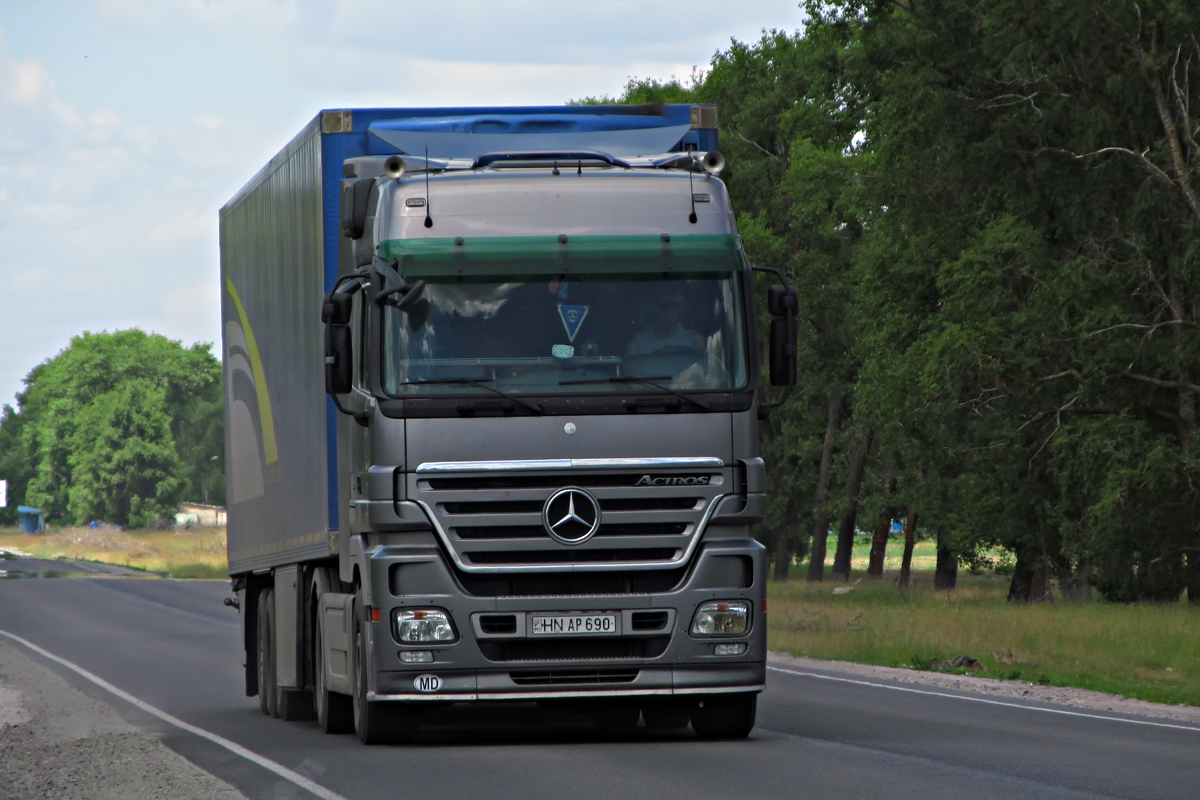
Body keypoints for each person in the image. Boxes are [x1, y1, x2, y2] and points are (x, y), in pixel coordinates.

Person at [627, 292, 705, 355]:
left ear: (680, 309)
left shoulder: (694, 340)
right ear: (655, 307)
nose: (669, 310)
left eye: (675, 305)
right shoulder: (637, 343)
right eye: (664, 305)